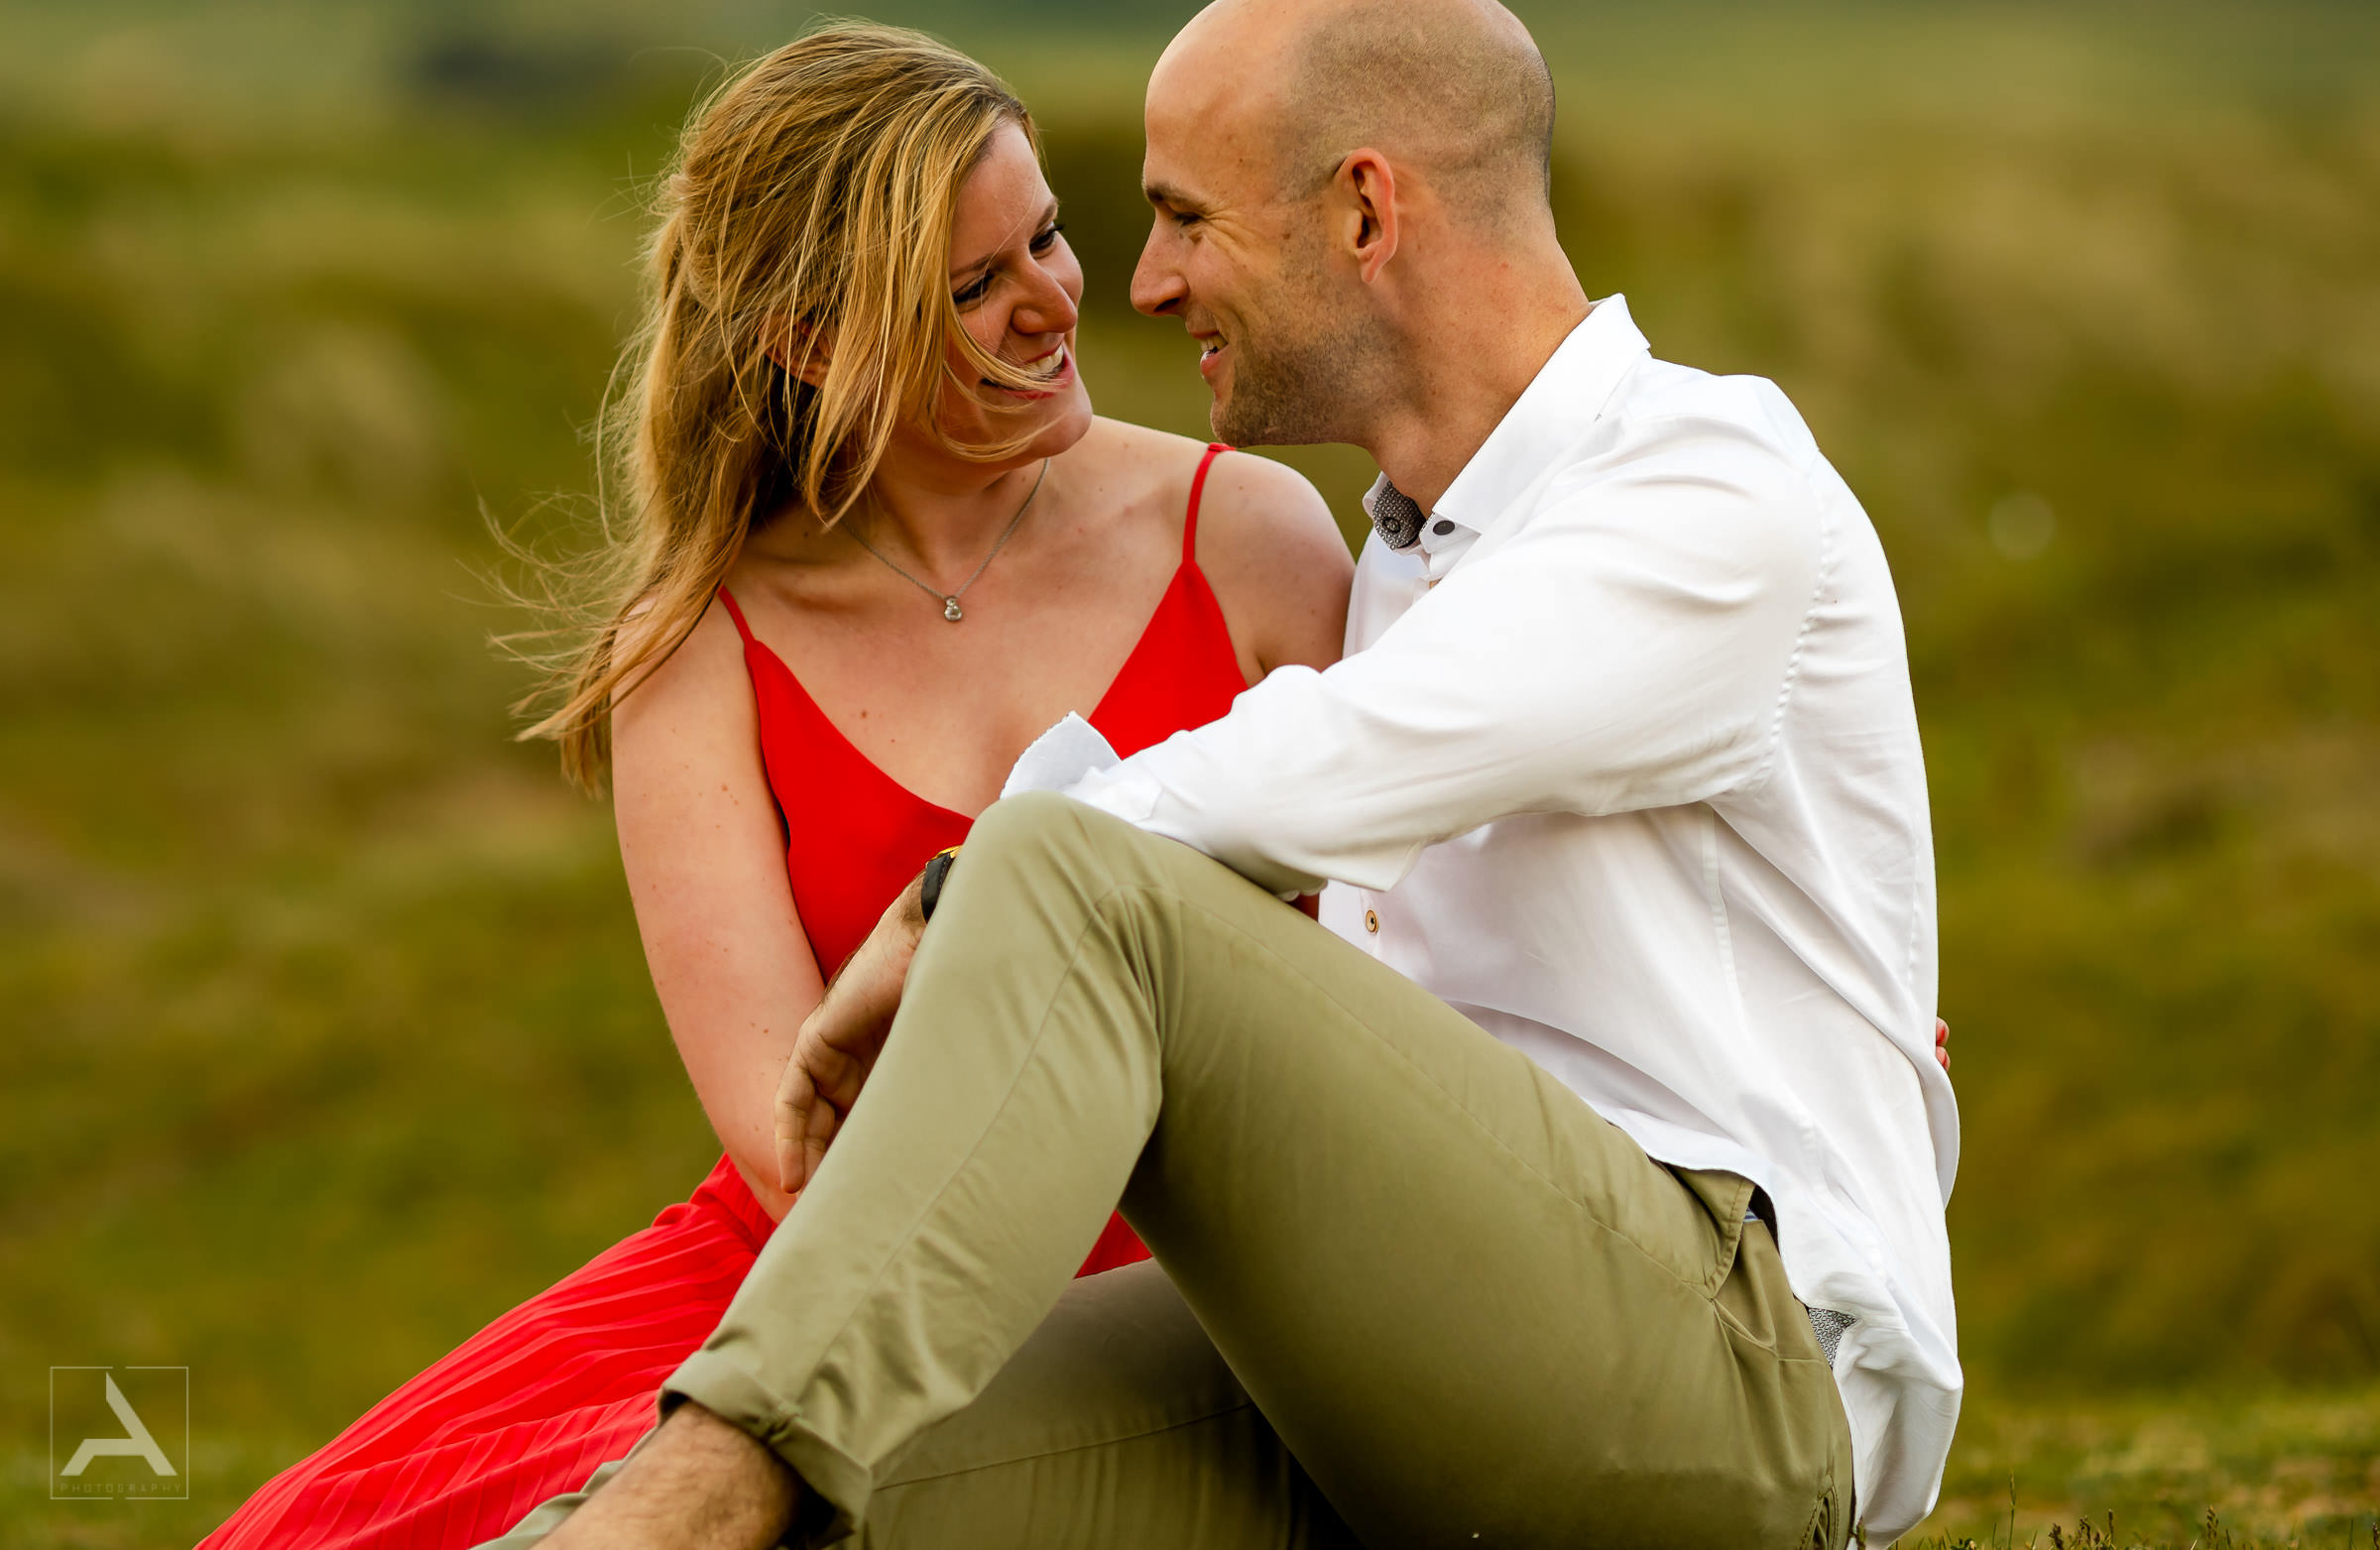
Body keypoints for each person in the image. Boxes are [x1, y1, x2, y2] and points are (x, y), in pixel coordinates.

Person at [501, 0, 1964, 1547]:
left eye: (1183, 218)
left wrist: (961, 905)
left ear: (1363, 209)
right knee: (838, 1489)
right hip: (1417, 1331)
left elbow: (1327, 769)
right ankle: (695, 1498)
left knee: (1079, 879)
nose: (1136, 285)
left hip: (1733, 1374)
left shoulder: (1707, 489)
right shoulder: (1409, 554)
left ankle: (702, 1488)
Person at [197, 26, 1352, 1550]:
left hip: (1223, 1285)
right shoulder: (699, 651)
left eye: (1050, 234)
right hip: (825, 1283)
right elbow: (793, 1146)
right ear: (813, 340)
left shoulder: (1253, 538)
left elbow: (1396, 991)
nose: (1056, 299)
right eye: (971, 288)